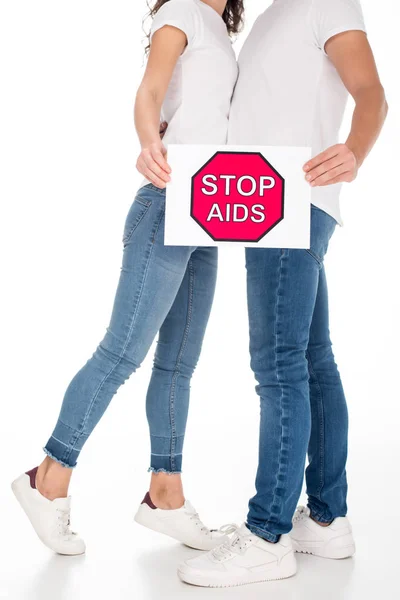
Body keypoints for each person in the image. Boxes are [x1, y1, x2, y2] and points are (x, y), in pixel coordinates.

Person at [11, 0, 242, 556]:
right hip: (167, 204)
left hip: (206, 213)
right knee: (121, 354)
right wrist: (150, 141)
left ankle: (165, 493)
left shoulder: (223, 32)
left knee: (178, 366)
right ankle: (49, 478)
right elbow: (149, 91)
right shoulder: (182, 12)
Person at [178, 0, 388, 587]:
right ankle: (325, 520)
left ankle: (267, 534)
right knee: (312, 361)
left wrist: (356, 151)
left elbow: (371, 92)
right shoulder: (274, 16)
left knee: (277, 364)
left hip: (291, 204)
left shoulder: (329, 4)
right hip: (264, 205)